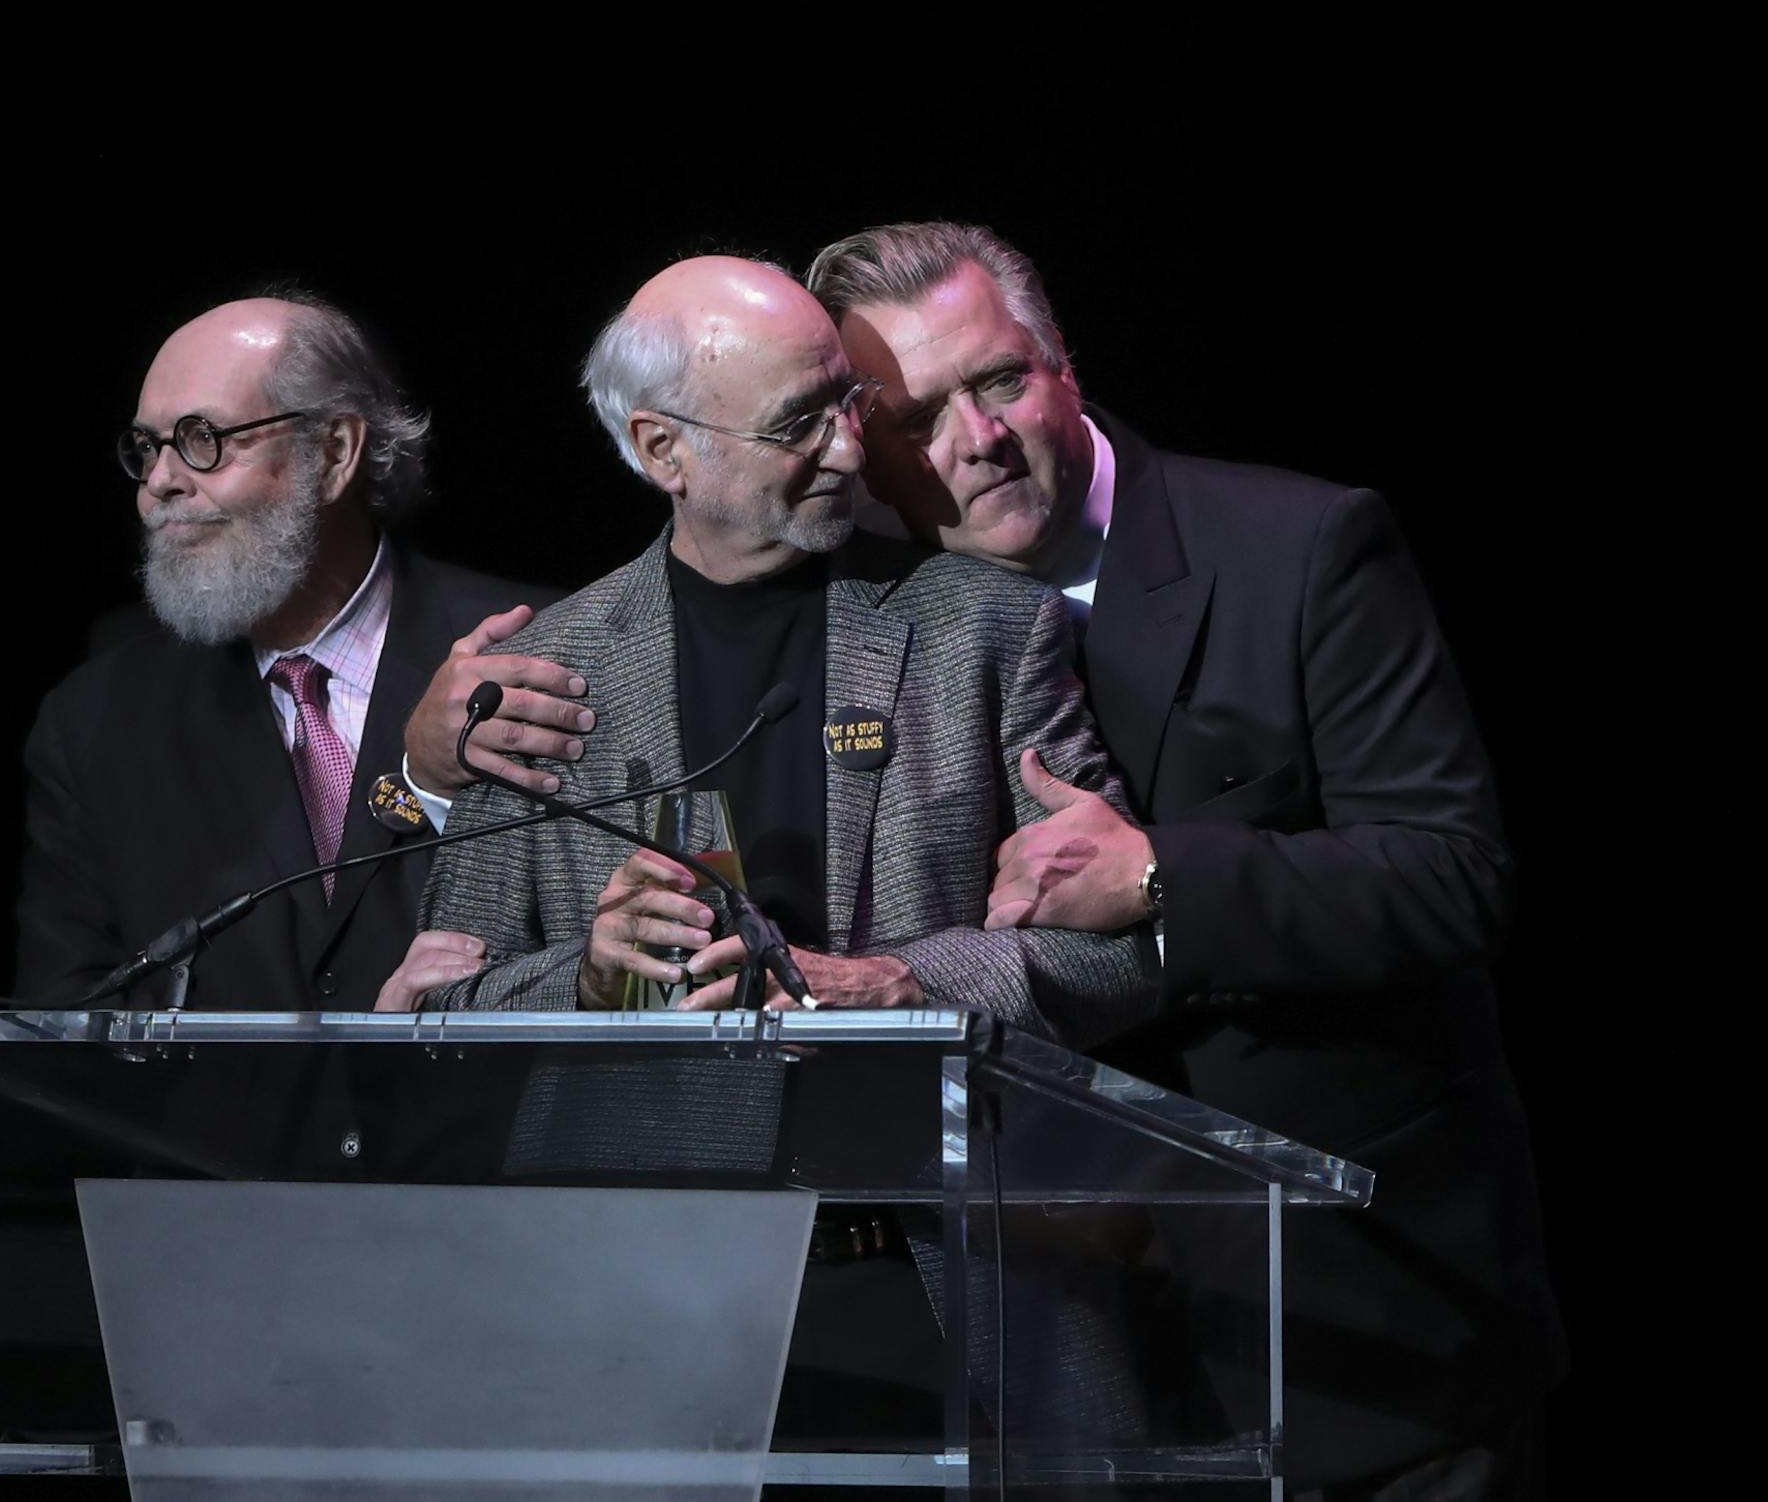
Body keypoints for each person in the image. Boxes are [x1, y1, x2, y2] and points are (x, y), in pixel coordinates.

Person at [808, 221, 1564, 1497]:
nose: (977, 440)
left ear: (1063, 362)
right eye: (919, 417)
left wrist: (1162, 877)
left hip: (1360, 1329)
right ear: (862, 449)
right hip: (1051, 1346)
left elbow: (1453, 874)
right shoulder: (853, 618)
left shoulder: (1301, 546)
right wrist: (444, 777)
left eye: (1000, 381)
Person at [408, 255, 1152, 1041]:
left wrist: (903, 989)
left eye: (848, 402)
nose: (850, 451)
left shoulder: (987, 628)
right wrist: (589, 982)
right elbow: (439, 1006)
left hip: (896, 1117)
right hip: (638, 1123)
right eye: (799, 425)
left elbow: (1120, 956)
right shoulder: (544, 677)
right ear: (662, 450)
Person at [16, 288, 556, 1011]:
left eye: (202, 438)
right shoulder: (95, 722)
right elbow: (63, 1028)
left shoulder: (532, 648)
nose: (160, 483)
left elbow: (610, 955)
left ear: (333, 453)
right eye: (147, 447)